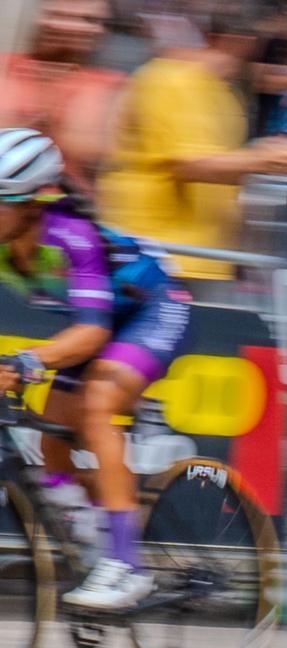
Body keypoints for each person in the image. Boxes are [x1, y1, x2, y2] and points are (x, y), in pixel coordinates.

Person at [0, 129, 192, 608]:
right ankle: (93, 539)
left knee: (98, 404)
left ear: (31, 203)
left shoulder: (70, 235)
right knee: (53, 448)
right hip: (100, 322)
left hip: (153, 308)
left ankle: (126, 566)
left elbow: (91, 335)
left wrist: (28, 360)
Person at [97, 5, 287, 287]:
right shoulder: (171, 79)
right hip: (155, 258)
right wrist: (266, 158)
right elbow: (190, 164)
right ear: (244, 42)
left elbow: (223, 168)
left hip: (199, 260)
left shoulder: (223, 93)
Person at [0, 0, 122, 187]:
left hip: (64, 202)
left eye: (88, 20)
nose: (70, 27)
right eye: (60, 16)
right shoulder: (7, 68)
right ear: (41, 20)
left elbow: (90, 151)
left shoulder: (107, 84)